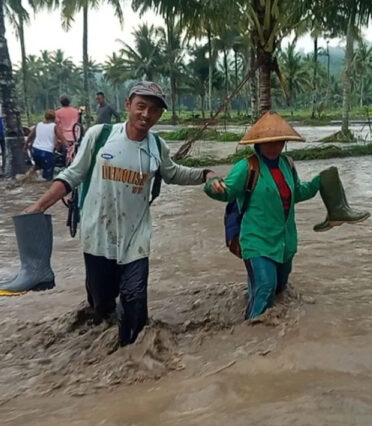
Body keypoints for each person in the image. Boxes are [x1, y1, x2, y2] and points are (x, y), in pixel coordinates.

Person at [18, 81, 223, 346]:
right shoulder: (99, 135)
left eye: (154, 110)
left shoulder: (156, 146)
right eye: (141, 107)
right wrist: (39, 206)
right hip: (97, 236)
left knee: (135, 307)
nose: (146, 115)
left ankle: (133, 363)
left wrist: (206, 174)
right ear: (128, 105)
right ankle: (99, 349)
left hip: (135, 239)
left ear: (160, 115)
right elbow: (72, 175)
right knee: (102, 309)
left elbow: (172, 173)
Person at [204, 112, 369, 319]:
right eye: (269, 142)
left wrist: (318, 182)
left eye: (279, 142)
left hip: (284, 242)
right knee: (266, 287)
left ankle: (273, 328)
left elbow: (296, 193)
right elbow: (226, 192)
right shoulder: (247, 167)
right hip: (257, 241)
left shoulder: (287, 165)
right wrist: (213, 185)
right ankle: (251, 333)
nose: (274, 147)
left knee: (280, 288)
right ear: (258, 143)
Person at [25, 109, 66, 180]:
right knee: (48, 177)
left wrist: (25, 146)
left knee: (37, 166)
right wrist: (68, 145)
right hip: (47, 153)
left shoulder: (38, 124)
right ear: (54, 118)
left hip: (35, 151)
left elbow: (30, 137)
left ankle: (25, 178)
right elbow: (62, 138)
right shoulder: (54, 126)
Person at [55, 94, 80, 162]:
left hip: (64, 137)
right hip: (75, 137)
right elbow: (78, 122)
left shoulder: (58, 112)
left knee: (64, 157)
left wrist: (57, 139)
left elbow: (56, 126)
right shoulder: (76, 111)